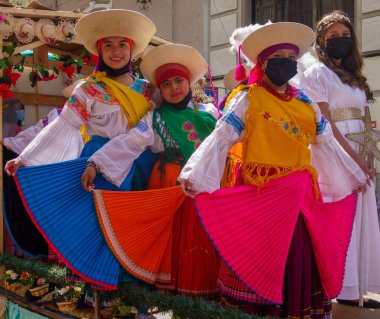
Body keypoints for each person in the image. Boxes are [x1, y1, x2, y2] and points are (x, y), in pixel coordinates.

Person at [178, 21, 367, 318]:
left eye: (292, 58)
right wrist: (196, 174)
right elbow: (221, 138)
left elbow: (326, 145)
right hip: (259, 195)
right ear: (264, 63)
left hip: (298, 200)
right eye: (279, 57)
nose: (287, 64)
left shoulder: (306, 104)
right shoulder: (248, 98)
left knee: (295, 257)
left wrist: (351, 176)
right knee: (261, 258)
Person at [4, 9, 158, 290]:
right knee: (99, 235)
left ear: (132, 48)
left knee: (133, 238)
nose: (116, 52)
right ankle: (99, 302)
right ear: (100, 50)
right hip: (98, 170)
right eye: (108, 45)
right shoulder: (89, 89)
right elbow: (63, 127)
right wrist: (26, 157)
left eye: (122, 44)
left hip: (139, 172)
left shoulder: (149, 91)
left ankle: (135, 305)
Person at [81, 43, 221, 297]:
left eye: (179, 80)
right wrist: (96, 162)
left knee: (200, 241)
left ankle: (200, 300)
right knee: (171, 243)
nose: (174, 88)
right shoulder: (155, 119)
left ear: (190, 83)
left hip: (204, 188)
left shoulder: (210, 115)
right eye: (166, 84)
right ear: (160, 90)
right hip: (168, 188)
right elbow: (130, 142)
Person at [300, 10, 380, 308]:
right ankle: (339, 284)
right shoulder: (317, 73)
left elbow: (363, 118)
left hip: (359, 148)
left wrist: (367, 156)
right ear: (321, 41)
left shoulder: (353, 76)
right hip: (332, 152)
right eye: (333, 37)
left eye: (345, 36)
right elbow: (325, 121)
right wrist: (353, 162)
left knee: (361, 213)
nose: (340, 41)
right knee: (342, 214)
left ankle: (355, 287)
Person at [1, 82, 85, 258]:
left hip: (88, 172)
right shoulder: (59, 114)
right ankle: (59, 265)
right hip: (61, 174)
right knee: (59, 222)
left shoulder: (101, 113)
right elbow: (38, 134)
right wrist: (11, 145)